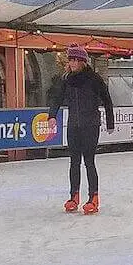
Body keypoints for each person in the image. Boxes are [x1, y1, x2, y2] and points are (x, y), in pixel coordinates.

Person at [48, 45, 114, 214]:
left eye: (75, 60)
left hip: (90, 125)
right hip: (73, 125)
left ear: (82, 62)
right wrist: (52, 116)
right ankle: (73, 196)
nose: (72, 63)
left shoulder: (94, 79)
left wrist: (110, 121)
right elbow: (57, 98)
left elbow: (107, 100)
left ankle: (93, 198)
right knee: (74, 162)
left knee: (89, 162)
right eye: (70, 59)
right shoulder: (66, 79)